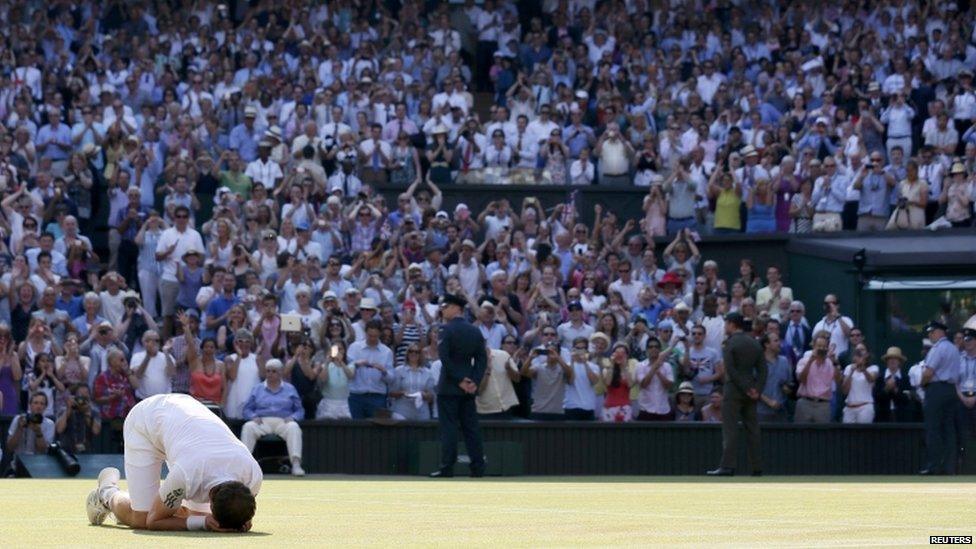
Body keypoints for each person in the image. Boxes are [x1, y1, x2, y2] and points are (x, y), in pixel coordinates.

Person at [85, 394, 261, 532]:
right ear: (212, 498)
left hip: (182, 416)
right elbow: (153, 520)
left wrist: (242, 520)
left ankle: (155, 502)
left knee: (196, 514)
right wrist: (204, 523)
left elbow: (238, 511)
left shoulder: (253, 476)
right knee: (141, 518)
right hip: (145, 422)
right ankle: (106, 493)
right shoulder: (188, 474)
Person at [430, 294, 487, 478]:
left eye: (446, 306)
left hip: (449, 387)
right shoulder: (475, 331)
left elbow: (445, 359)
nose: (443, 309)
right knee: (471, 429)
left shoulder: (445, 330)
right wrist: (473, 381)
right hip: (468, 388)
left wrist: (459, 380)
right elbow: (481, 360)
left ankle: (447, 468)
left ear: (456, 308)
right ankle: (478, 468)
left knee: (449, 429)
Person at [707, 312, 765, 477]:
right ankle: (757, 466)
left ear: (732, 324)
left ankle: (727, 466)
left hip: (733, 391)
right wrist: (756, 389)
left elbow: (730, 370)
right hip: (751, 392)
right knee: (753, 429)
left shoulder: (730, 343)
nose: (725, 327)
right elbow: (763, 370)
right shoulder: (754, 343)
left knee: (730, 430)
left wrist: (746, 387)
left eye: (726, 324)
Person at [240, 359, 306, 476]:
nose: (270, 374)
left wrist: (293, 417)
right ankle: (244, 466)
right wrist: (253, 416)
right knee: (248, 426)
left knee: (294, 427)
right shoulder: (257, 388)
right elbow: (247, 409)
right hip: (262, 422)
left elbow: (300, 410)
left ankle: (296, 464)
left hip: (283, 422)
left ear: (280, 373)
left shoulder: (290, 389)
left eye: (274, 371)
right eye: (268, 371)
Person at [919, 321, 961, 475]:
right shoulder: (954, 349)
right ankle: (950, 467)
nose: (930, 335)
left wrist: (922, 384)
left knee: (933, 429)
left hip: (936, 389)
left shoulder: (937, 348)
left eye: (932, 332)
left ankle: (933, 466)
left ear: (939, 332)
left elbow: (928, 373)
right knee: (949, 429)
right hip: (950, 390)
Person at [55, 383, 102, 454]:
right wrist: (68, 410)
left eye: (86, 395)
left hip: (87, 451)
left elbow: (96, 431)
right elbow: (59, 429)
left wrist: (87, 413)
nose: (83, 398)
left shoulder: (94, 411)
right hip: (67, 450)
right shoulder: (64, 410)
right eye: (80, 395)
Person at [841, 344, 879, 424]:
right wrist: (851, 372)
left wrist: (864, 370)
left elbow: (871, 380)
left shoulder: (873, 368)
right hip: (849, 408)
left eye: (862, 350)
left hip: (865, 407)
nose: (859, 353)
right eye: (857, 351)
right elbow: (844, 390)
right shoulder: (849, 368)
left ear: (867, 354)